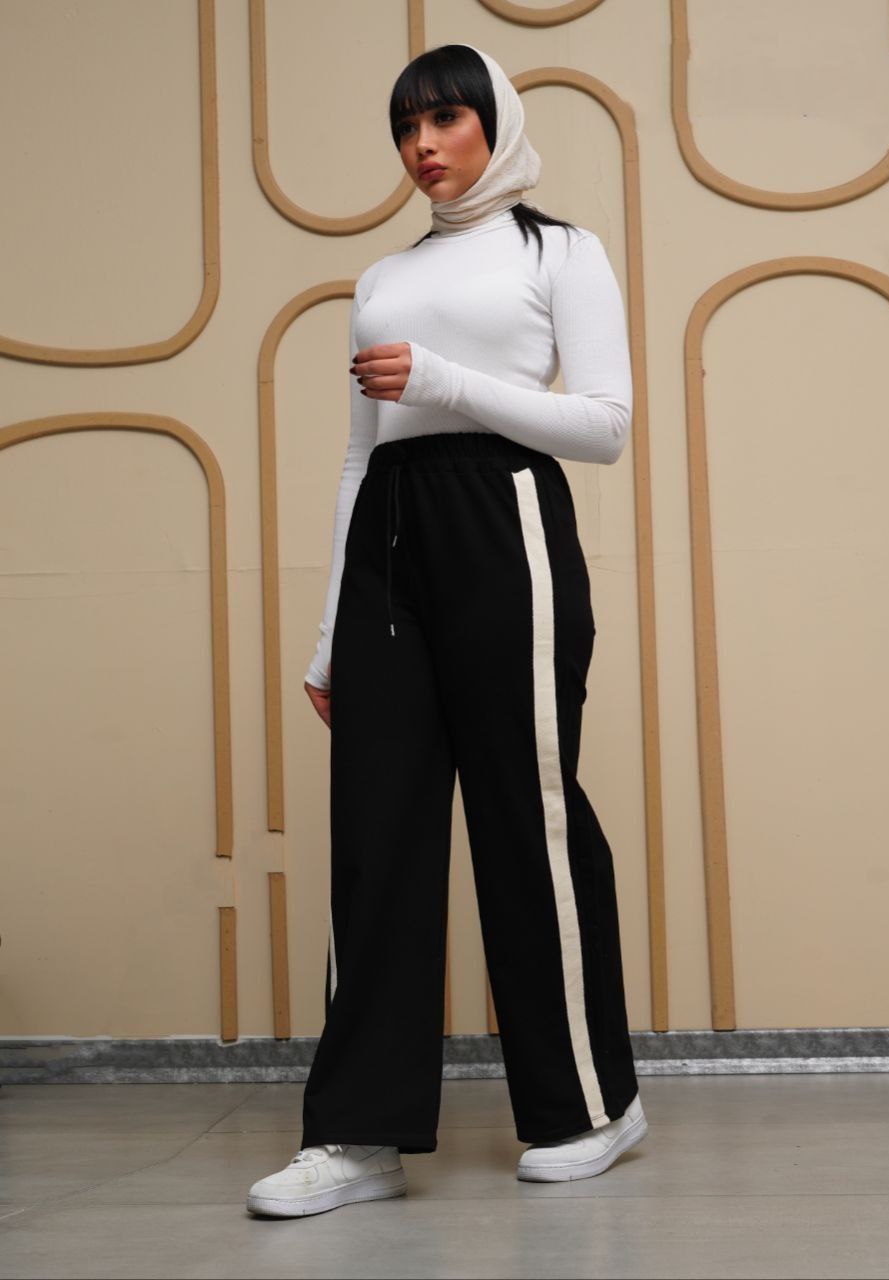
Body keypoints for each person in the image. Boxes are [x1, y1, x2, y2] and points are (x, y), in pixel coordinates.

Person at [247, 42, 645, 1219]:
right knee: (375, 829)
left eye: (446, 120)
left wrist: (444, 379)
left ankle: (590, 1104)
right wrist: (331, 628)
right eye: (406, 127)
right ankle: (358, 1132)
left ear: (495, 123)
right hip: (388, 536)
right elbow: (358, 455)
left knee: (527, 810)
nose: (423, 145)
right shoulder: (381, 277)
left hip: (505, 516)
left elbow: (604, 424)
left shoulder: (559, 252)